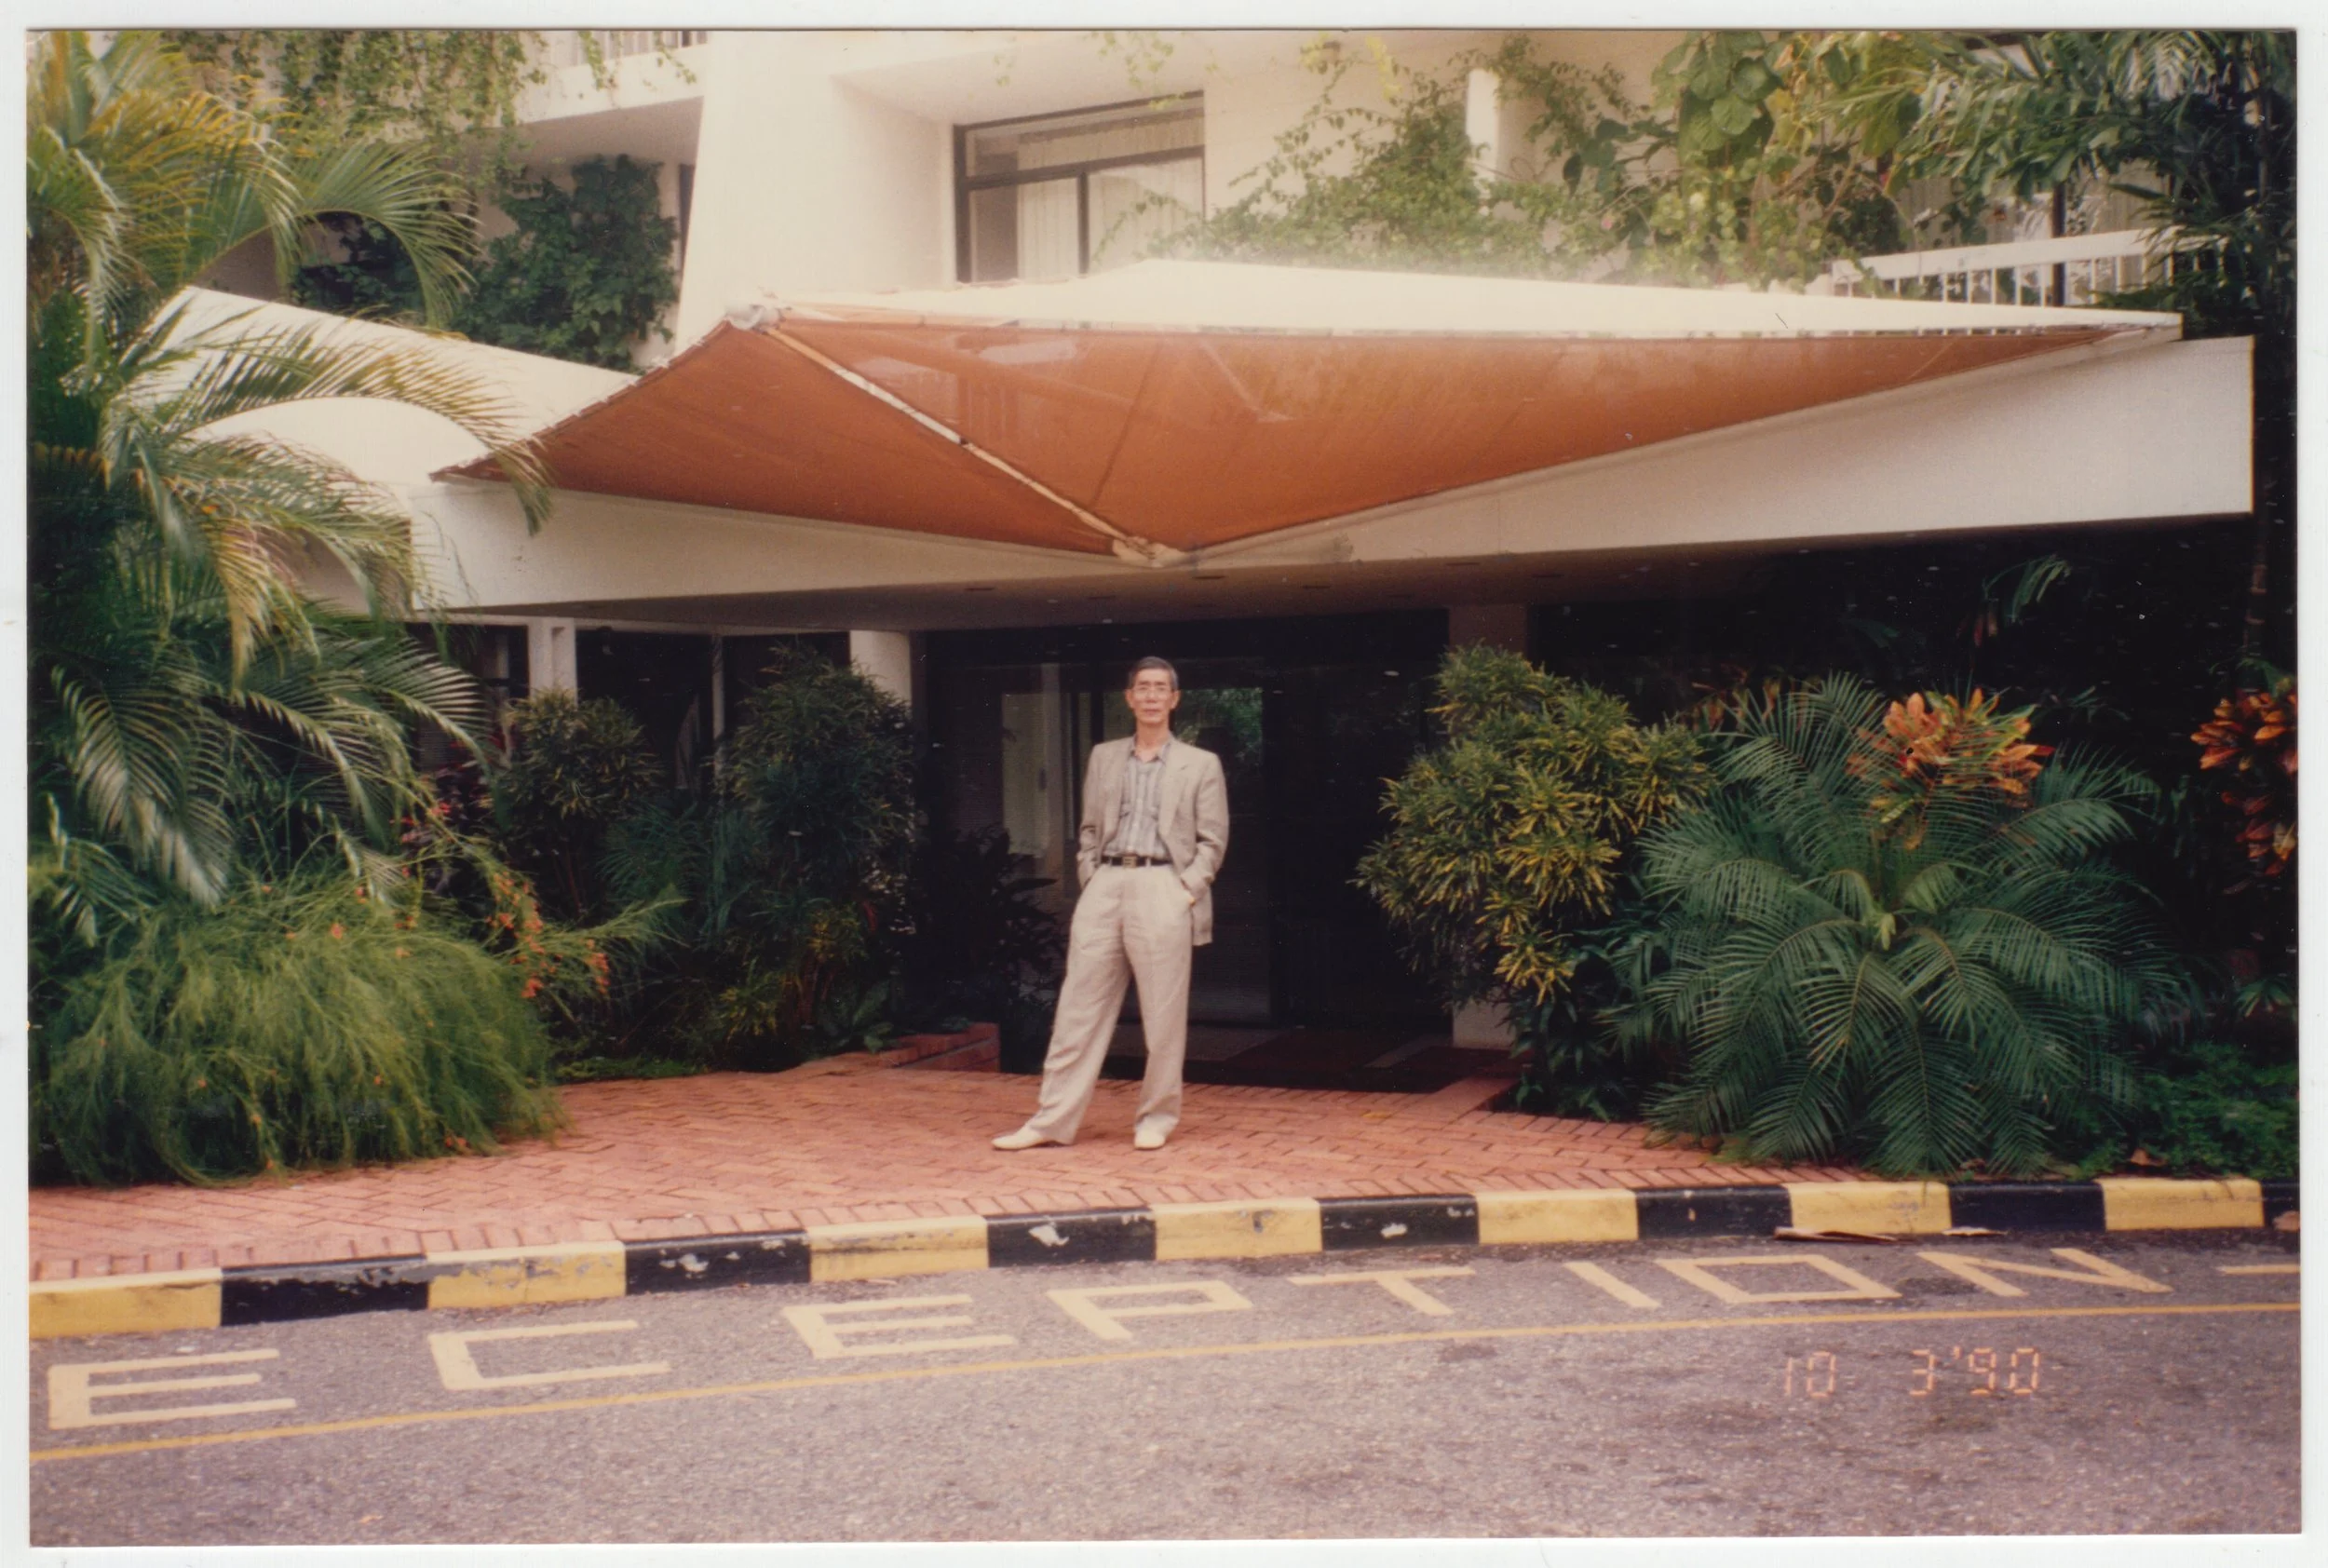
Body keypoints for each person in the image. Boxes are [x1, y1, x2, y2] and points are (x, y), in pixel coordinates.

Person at [994, 656, 1228, 1152]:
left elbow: (1213, 841)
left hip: (1163, 885)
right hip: (1106, 884)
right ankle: (1051, 1120)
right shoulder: (1104, 756)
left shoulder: (1200, 764)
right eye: (1142, 687)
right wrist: (1091, 874)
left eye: (1160, 688)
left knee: (1162, 1017)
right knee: (1077, 1009)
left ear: (1174, 699)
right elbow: (1089, 829)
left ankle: (1156, 1118)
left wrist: (1185, 892)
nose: (1151, 696)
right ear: (1129, 697)